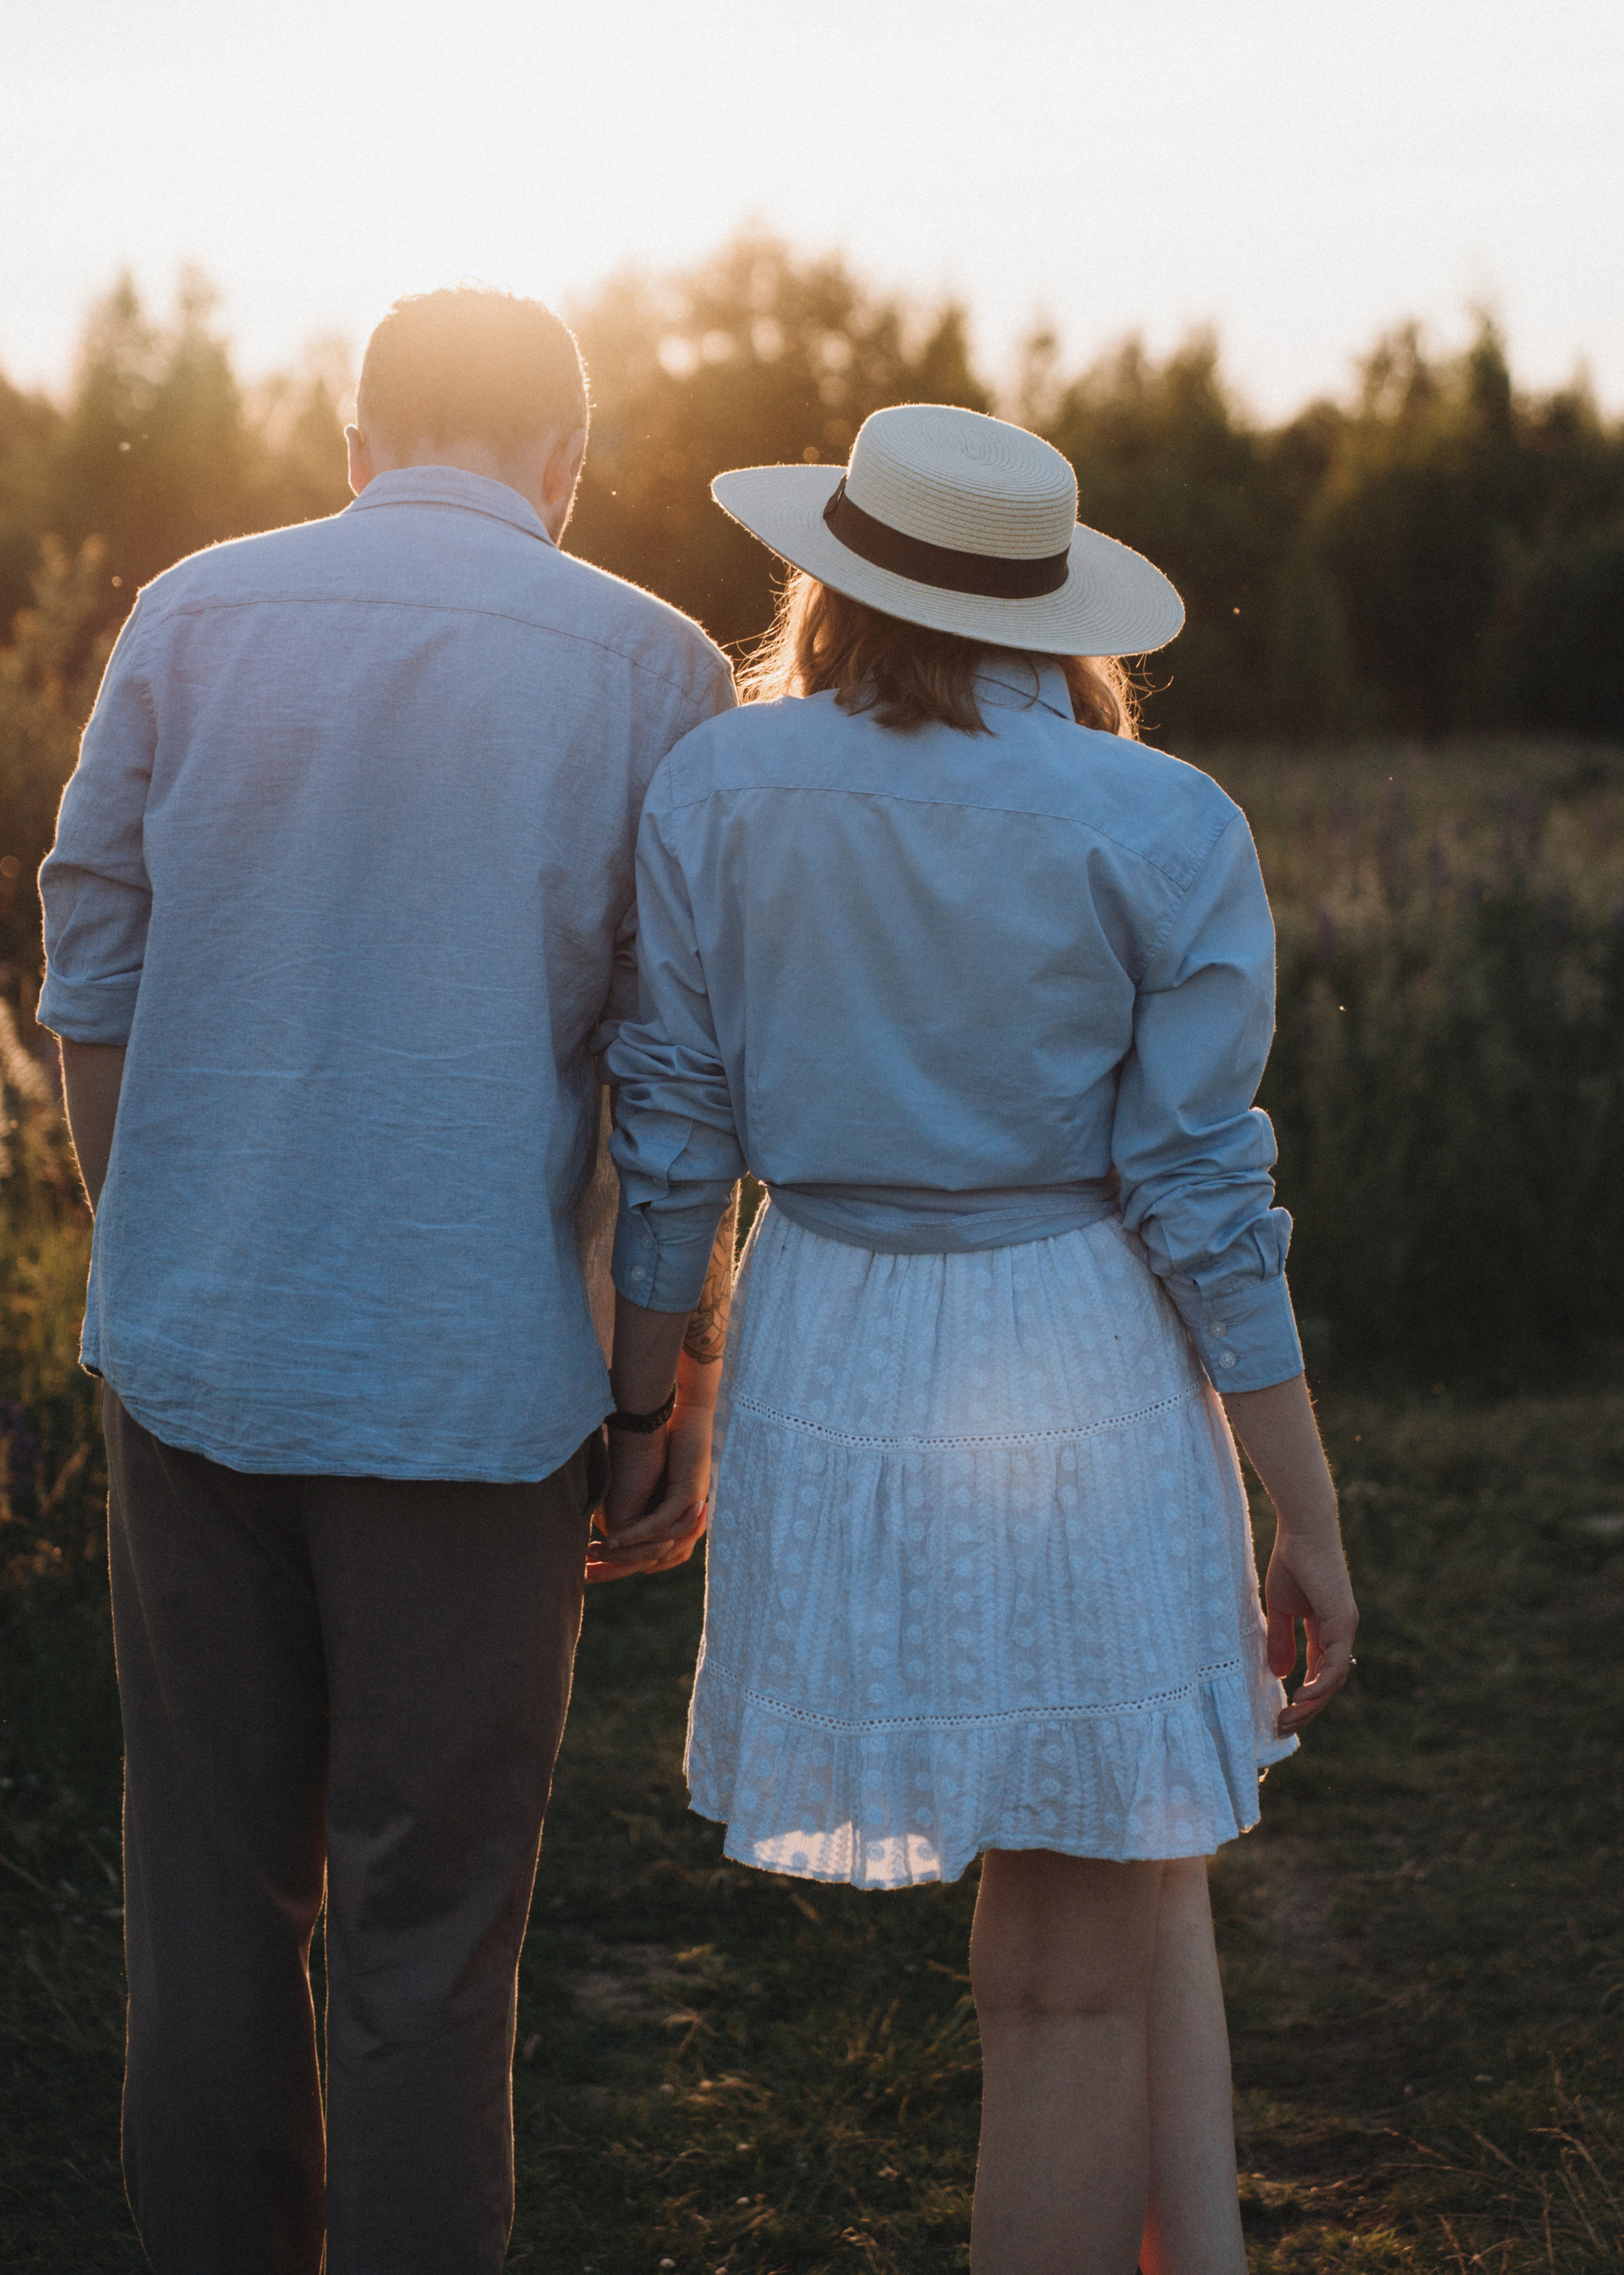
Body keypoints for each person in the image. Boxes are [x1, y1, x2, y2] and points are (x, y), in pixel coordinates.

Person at [599, 401, 1359, 2275]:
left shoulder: (717, 787)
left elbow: (673, 1128)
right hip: (1075, 1348)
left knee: (1110, 1893)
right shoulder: (1160, 821)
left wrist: (646, 1399)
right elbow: (1200, 1197)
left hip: (832, 1341)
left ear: (834, 582)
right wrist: (1305, 1511)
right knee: (1073, 1977)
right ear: (1053, 609)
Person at [37, 288, 733, 2275]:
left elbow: (91, 958)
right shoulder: (657, 667)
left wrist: (145, 1231)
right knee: (431, 1935)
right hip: (481, 1390)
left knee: (204, 1895)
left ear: (354, 444)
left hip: (191, 1360)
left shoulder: (189, 613)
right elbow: (678, 1082)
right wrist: (652, 1385)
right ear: (567, 466)